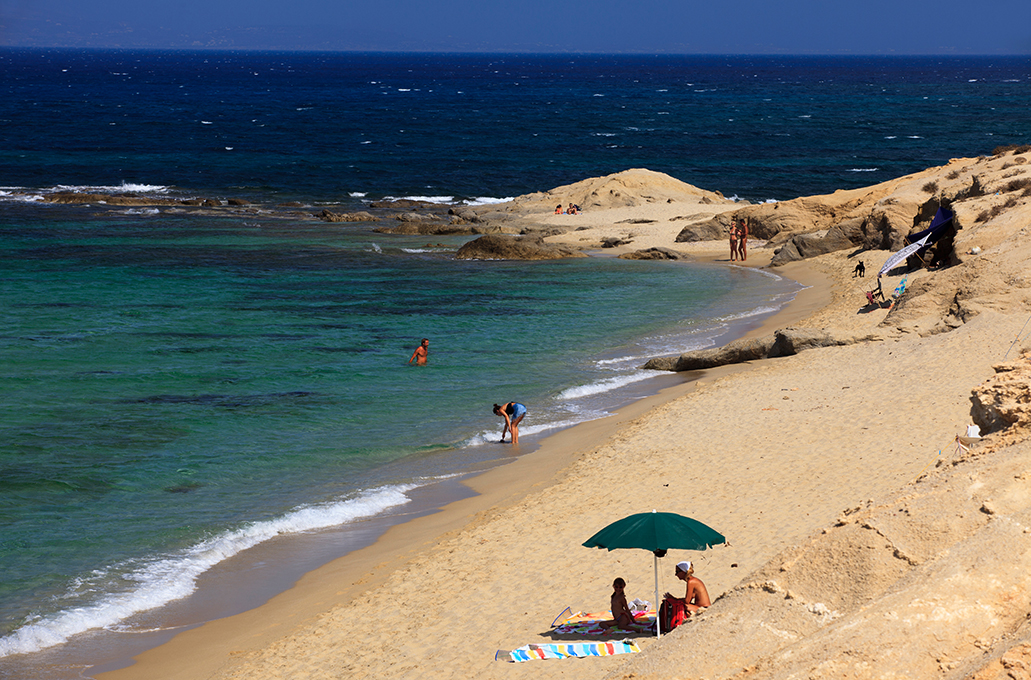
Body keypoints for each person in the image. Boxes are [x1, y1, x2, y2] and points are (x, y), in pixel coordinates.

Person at [660, 560, 710, 631]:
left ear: (683, 572)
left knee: (682, 607)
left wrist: (675, 599)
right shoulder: (693, 580)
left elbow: (686, 601)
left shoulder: (691, 582)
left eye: (677, 572)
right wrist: (675, 598)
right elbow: (689, 598)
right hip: (702, 607)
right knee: (682, 606)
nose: (675, 574)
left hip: (704, 608)